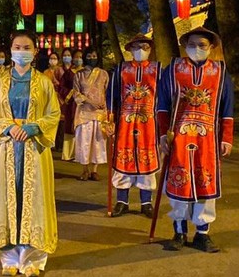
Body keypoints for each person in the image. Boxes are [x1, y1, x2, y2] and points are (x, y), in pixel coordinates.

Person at [0, 30, 61, 277]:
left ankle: (33, 258)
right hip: (8, 147)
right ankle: (9, 258)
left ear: (35, 51)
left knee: (34, 200)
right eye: (17, 47)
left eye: (26, 47)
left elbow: (53, 113)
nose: (22, 51)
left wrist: (32, 127)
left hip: (34, 147)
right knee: (7, 200)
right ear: (11, 50)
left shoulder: (44, 83)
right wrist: (9, 127)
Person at [157, 26, 234, 253]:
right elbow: (162, 105)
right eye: (192, 45)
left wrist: (226, 137)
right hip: (178, 135)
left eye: (202, 45)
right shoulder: (173, 69)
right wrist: (163, 134)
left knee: (205, 182)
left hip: (208, 137)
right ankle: (179, 231)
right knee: (179, 181)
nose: (196, 49)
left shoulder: (220, 71)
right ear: (185, 46)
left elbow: (227, 106)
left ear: (211, 47)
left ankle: (203, 233)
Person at [107, 34, 161, 217]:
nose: (141, 51)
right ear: (129, 49)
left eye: (145, 47)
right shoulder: (122, 69)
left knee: (147, 160)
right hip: (125, 122)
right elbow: (112, 96)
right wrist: (109, 119)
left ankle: (146, 203)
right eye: (137, 47)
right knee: (123, 159)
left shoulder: (157, 70)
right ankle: (122, 201)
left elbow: (164, 99)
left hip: (149, 123)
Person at [73, 47, 109, 181]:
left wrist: (105, 105)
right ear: (85, 57)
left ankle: (95, 170)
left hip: (100, 113)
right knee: (84, 142)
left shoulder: (104, 74)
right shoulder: (79, 75)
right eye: (89, 55)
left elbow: (107, 92)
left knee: (98, 142)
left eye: (94, 55)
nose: (92, 58)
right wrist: (89, 101)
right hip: (84, 113)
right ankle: (85, 170)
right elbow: (76, 93)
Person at [57, 49, 83, 161]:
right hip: (71, 103)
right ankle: (68, 154)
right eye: (76, 57)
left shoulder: (86, 73)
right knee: (69, 127)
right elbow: (61, 87)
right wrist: (70, 94)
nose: (78, 59)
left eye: (80, 57)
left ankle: (81, 155)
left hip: (83, 104)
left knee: (81, 128)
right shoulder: (68, 73)